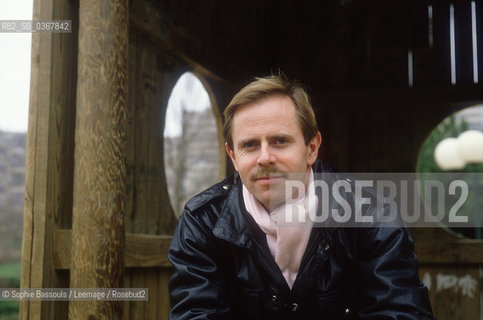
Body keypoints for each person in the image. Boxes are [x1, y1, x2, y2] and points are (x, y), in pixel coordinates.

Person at [168, 75, 436, 319]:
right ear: (233, 157)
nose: (264, 158)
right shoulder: (202, 222)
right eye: (250, 145)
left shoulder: (370, 212)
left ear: (312, 148)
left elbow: (402, 313)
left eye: (279, 141)